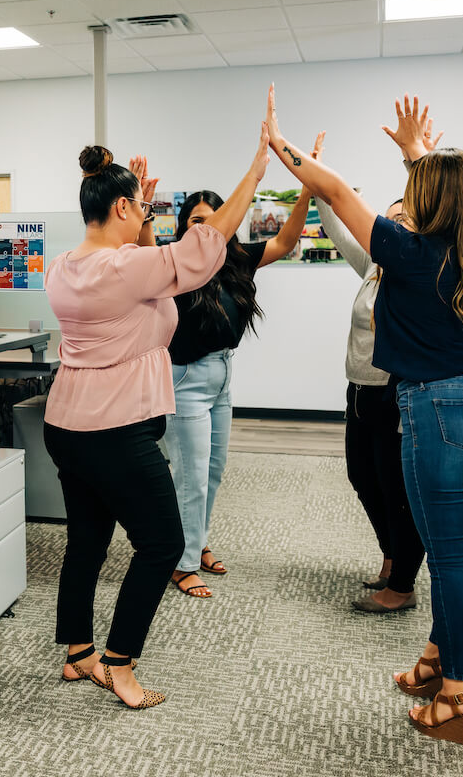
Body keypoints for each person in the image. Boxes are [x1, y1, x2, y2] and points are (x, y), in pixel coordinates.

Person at [265, 87, 463, 747]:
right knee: (451, 553)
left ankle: (460, 694)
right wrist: (416, 151)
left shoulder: (405, 252)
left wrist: (280, 145)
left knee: (453, 562)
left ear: (428, 203)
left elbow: (335, 186)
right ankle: (437, 661)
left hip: (442, 411)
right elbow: (453, 188)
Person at [47, 129, 270, 709]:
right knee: (163, 542)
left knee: (88, 540)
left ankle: (78, 653)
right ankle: (121, 664)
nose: (149, 216)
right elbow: (200, 249)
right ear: (120, 207)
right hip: (113, 427)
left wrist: (141, 216)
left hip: (68, 425)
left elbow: (151, 268)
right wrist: (255, 173)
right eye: (142, 208)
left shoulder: (65, 266)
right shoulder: (121, 271)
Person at [163, 151, 316, 599]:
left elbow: (286, 241)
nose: (203, 227)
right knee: (189, 474)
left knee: (212, 471)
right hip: (186, 379)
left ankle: (195, 542)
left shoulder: (237, 259)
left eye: (212, 219)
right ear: (183, 226)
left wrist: (305, 192)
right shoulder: (174, 262)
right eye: (194, 220)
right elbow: (140, 248)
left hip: (223, 377)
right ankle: (182, 561)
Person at [312, 139, 428, 613]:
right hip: (359, 390)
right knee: (362, 478)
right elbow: (338, 228)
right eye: (389, 219)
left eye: (405, 220)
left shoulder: (413, 273)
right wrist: (317, 181)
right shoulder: (373, 268)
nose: (394, 226)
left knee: (395, 488)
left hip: (393, 393)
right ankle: (391, 554)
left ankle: (401, 581)